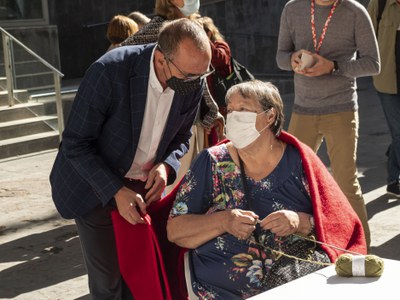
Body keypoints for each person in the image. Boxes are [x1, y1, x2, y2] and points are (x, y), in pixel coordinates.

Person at [49, 18, 212, 299]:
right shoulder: (109, 71)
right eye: (188, 76)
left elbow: (182, 138)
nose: (195, 84)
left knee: (141, 273)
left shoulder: (191, 78)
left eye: (201, 75)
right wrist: (115, 190)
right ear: (161, 59)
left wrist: (166, 167)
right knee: (108, 284)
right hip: (93, 187)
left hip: (143, 189)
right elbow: (75, 144)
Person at [167, 80, 367, 299]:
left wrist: (300, 222)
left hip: (293, 283)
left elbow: (340, 224)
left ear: (270, 116)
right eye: (230, 110)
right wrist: (224, 221)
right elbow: (175, 230)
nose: (233, 117)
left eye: (242, 109)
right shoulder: (212, 162)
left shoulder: (300, 161)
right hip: (222, 290)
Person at [276, 0, 381, 248]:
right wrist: (292, 59)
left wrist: (333, 67)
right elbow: (280, 57)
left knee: (345, 181)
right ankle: (297, 246)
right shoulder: (293, 8)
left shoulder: (355, 12)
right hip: (303, 110)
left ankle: (362, 249)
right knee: (292, 179)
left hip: (341, 109)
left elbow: (373, 64)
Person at [367, 0, 400, 198]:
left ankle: (393, 152)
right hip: (387, 81)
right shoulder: (378, 4)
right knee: (398, 132)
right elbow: (365, 39)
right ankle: (394, 179)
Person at [199, 15, 232, 120]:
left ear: (209, 33)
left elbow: (219, 59)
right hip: (206, 104)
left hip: (221, 102)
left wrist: (204, 40)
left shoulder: (221, 45)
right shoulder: (199, 50)